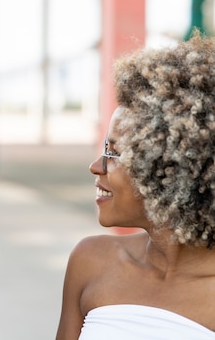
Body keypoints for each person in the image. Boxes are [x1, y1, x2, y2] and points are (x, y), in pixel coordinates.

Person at [56, 32, 215, 340]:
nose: (96, 166)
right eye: (105, 148)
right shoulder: (91, 261)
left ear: (173, 169)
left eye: (115, 153)